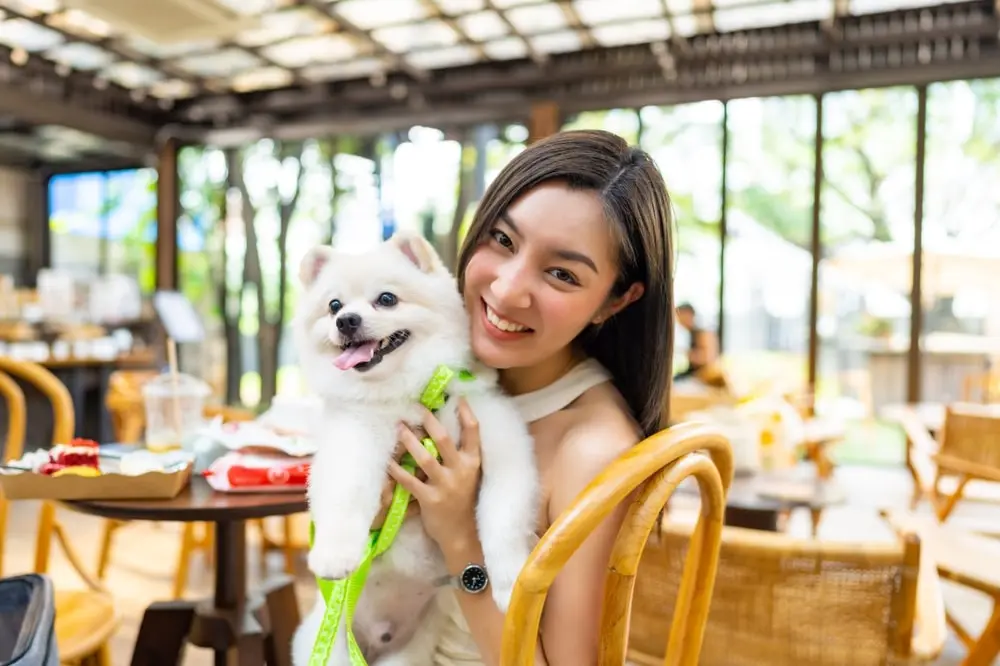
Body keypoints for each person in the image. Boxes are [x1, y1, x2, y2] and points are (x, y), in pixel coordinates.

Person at [380, 129, 676, 665]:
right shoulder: (454, 376)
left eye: (561, 273)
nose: (509, 290)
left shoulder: (589, 452)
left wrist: (460, 539)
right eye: (503, 241)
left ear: (615, 300)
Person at [673, 303, 717, 381]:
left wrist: (686, 353)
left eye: (679, 315)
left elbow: (708, 358)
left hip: (704, 375)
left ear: (688, 314)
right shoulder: (692, 332)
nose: (678, 320)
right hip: (695, 373)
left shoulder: (703, 332)